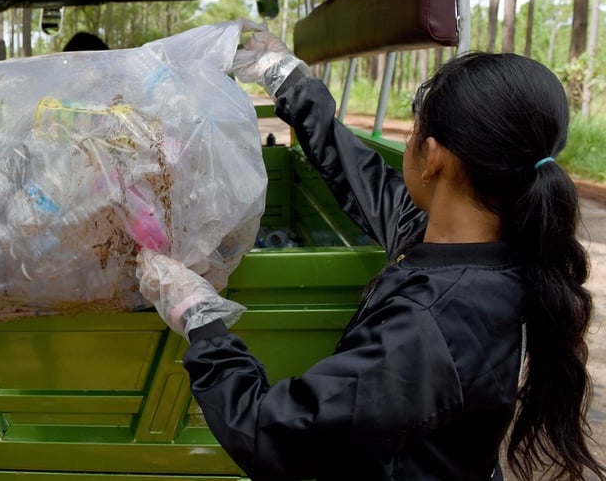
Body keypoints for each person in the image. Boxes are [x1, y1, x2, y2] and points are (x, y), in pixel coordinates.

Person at [136, 30, 606, 480]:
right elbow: (366, 182)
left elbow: (266, 432)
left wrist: (200, 318)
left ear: (435, 156)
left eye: (414, 129)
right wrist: (288, 80)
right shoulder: (472, 245)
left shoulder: (432, 328)